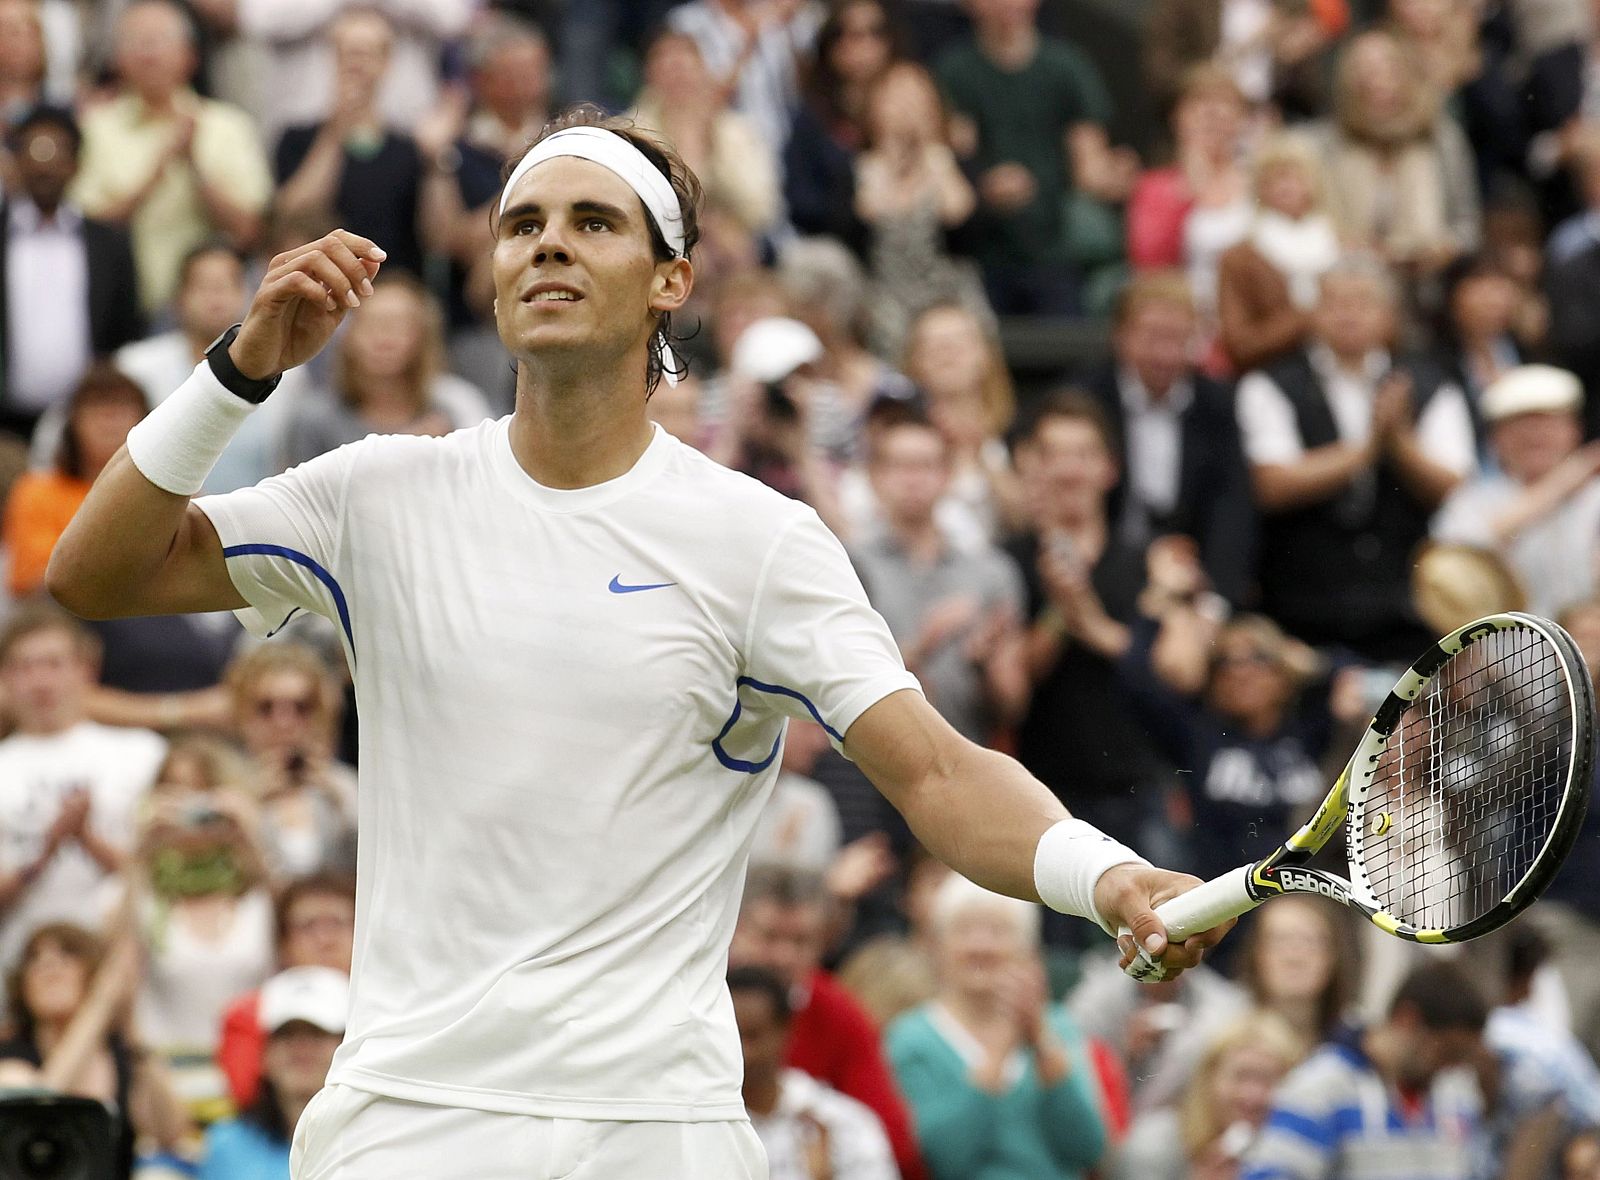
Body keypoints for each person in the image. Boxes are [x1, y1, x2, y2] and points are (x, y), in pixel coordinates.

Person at [47, 108, 1225, 1177]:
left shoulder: (759, 541)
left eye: (591, 222)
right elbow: (94, 574)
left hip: (655, 1131)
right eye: (522, 225)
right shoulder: (377, 492)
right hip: (404, 1120)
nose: (546, 246)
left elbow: (936, 768)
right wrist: (242, 368)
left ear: (671, 279)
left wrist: (1103, 874)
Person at [1234, 256, 1476, 660]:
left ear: (1388, 316)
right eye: (1335, 303)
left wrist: (1399, 442)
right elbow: (1272, 484)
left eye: (1363, 303)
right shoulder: (1271, 383)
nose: (1349, 315)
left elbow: (1452, 486)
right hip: (1300, 611)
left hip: (1405, 611)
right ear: (1313, 314)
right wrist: (1368, 449)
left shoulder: (1428, 382)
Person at [886, 873, 1108, 1180]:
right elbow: (938, 1158)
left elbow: (1088, 1148)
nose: (981, 945)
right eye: (964, 930)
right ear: (937, 946)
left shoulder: (1058, 1026)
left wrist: (1040, 1041)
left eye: (998, 931)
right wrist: (1001, 1049)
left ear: (1026, 950)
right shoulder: (910, 1038)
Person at [72, 0, 272, 317]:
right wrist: (158, 169)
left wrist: (194, 166)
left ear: (190, 55)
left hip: (208, 314)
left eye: (161, 41)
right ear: (117, 58)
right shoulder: (93, 129)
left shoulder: (228, 127)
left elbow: (249, 231)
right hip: (118, 310)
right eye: (137, 42)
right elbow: (85, 230)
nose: (149, 54)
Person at [934, 0, 1135, 314]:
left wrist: (1115, 176)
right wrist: (983, 185)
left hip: (1055, 247)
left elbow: (1089, 162)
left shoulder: (1067, 66)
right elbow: (949, 156)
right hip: (980, 250)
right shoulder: (953, 72)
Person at [0, 605, 166, 977]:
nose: (41, 681)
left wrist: (87, 839)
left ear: (86, 669)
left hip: (130, 966)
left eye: (54, 664)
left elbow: (164, 872)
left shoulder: (144, 752)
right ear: (6, 678)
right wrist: (45, 850)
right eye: (25, 667)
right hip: (20, 970)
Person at [729, 863, 925, 1178]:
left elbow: (892, 1140)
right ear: (734, 930)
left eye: (800, 941)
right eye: (769, 937)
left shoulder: (840, 1014)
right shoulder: (696, 1004)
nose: (783, 956)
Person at [851, 410, 1029, 745]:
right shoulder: (849, 565)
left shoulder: (992, 572)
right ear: (873, 477)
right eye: (899, 465)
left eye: (925, 465)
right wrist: (922, 646)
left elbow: (1012, 707)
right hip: (868, 765)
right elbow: (838, 682)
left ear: (947, 476)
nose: (913, 479)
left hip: (965, 759)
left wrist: (985, 664)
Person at [1084, 273, 1256, 603]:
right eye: (1152, 337)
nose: (1164, 354)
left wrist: (1215, 601)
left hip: (1192, 576)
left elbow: (1231, 507)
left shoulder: (1218, 404)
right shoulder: (1089, 400)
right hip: (1106, 575)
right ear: (1120, 336)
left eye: (1178, 338)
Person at [131, 736, 276, 1124]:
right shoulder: (142, 894)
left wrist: (249, 833)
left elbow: (297, 932)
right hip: (168, 1087)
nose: (190, 809)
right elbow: (110, 972)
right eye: (174, 792)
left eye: (202, 793)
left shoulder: (259, 895)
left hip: (255, 1080)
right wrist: (141, 849)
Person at [1238, 961, 1488, 1180]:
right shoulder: (1321, 1089)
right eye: (1449, 1052)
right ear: (1407, 1020)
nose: (1454, 1066)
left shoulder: (1459, 1094)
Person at [0, 922, 189, 1178]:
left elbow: (170, 1132)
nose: (49, 967)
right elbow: (39, 1108)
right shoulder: (13, 1053)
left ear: (93, 972)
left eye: (67, 955)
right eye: (35, 959)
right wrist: (100, 1005)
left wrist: (132, 1031)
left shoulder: (120, 1052)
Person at [1, 104, 143, 439]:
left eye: (56, 160)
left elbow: (125, 328)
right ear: (17, 164)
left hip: (85, 428)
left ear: (75, 165)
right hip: (5, 426)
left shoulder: (108, 242)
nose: (44, 171)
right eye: (34, 161)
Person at [272, 8, 430, 281]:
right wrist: (336, 131)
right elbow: (291, 214)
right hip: (319, 282)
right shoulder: (296, 138)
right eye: (348, 52)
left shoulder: (408, 148)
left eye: (367, 53)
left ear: (386, 62)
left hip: (389, 289)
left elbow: (432, 238)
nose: (356, 63)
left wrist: (439, 157)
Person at [1432, 365, 1600, 618]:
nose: (1534, 435)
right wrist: (1561, 484)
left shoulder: (1595, 496)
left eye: (1547, 423)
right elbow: (1454, 568)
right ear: (1494, 439)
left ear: (1574, 429)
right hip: (1504, 652)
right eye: (1519, 425)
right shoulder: (1469, 502)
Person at [282, 273, 491, 468]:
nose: (384, 336)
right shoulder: (315, 419)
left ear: (424, 337)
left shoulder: (452, 409)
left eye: (399, 325)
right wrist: (406, 452)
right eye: (372, 323)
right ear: (347, 335)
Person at [852, 61, 984, 361]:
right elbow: (861, 223)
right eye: (896, 98)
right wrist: (886, 158)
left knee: (965, 309)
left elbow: (964, 225)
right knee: (885, 319)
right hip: (882, 288)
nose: (907, 109)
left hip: (944, 285)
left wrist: (933, 154)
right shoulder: (858, 169)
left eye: (916, 98)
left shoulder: (952, 165)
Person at [730, 965, 898, 1180]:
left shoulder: (844, 1124)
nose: (744, 1052)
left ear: (785, 1031)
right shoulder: (701, 1124)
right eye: (733, 1037)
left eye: (753, 1036)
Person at [217, 870, 357, 1111]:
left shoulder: (388, 1008)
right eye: (308, 926)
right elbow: (245, 1095)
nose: (325, 939)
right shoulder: (250, 1013)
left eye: (338, 923)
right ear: (283, 943)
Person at [3, 364, 147, 598]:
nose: (109, 418)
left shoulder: (171, 495)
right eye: (96, 406)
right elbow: (35, 581)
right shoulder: (37, 491)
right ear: (73, 423)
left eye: (122, 406)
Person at [1114, 1010, 1307, 1180]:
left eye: (1268, 1080)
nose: (1253, 1095)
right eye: (1242, 1077)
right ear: (1209, 1078)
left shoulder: (1306, 1152)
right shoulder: (1154, 1145)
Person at [200, 966, 349, 1180]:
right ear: (264, 1053)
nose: (301, 1047)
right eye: (286, 1034)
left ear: (345, 1046)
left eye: (317, 1034)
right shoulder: (225, 1144)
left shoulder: (371, 1140)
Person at [222, 643, 355, 882]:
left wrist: (340, 802)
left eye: (301, 707)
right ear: (241, 714)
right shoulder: (222, 786)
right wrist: (248, 805)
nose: (284, 722)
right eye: (266, 707)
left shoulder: (345, 787)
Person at [1216, 134, 1341, 375]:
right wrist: (1305, 320)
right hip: (1272, 374)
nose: (1286, 186)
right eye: (1274, 178)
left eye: (1295, 176)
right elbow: (1239, 345)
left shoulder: (1346, 248)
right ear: (1259, 189)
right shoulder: (1239, 258)